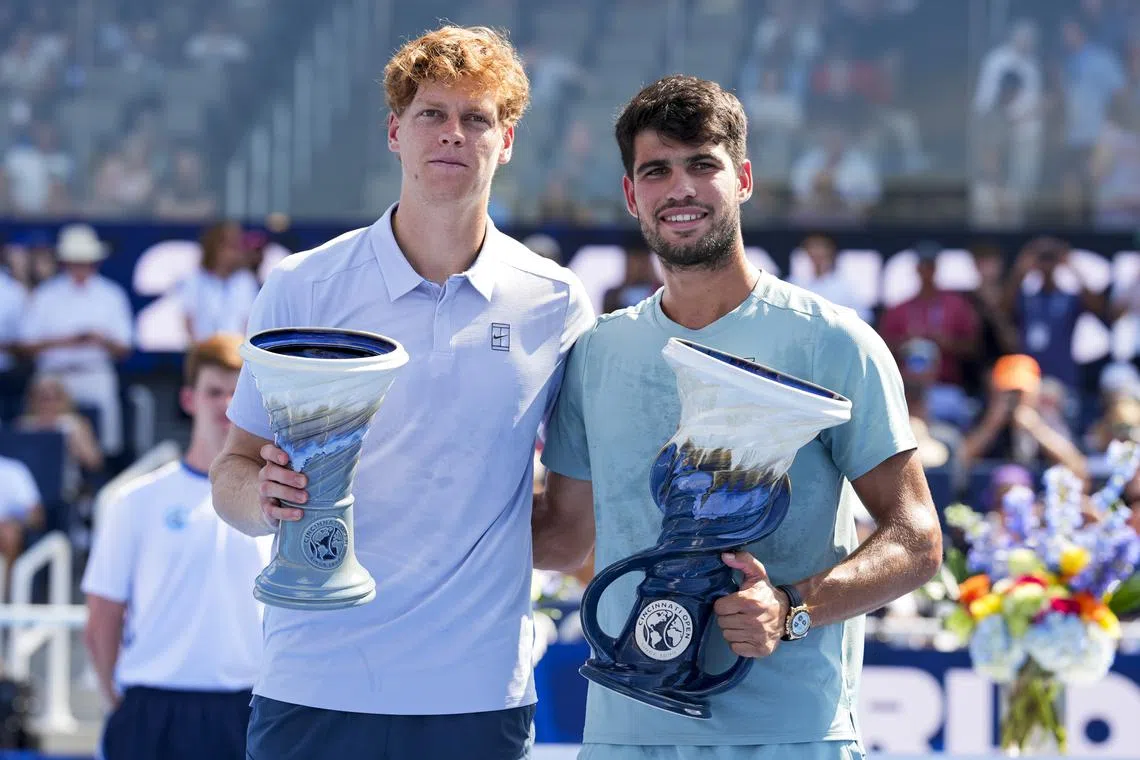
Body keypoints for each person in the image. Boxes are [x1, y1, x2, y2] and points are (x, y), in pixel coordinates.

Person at [209, 25, 594, 760]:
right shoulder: (303, 285)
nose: (453, 134)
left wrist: (478, 538)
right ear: (395, 132)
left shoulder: (556, 301)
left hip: (478, 694)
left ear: (506, 140)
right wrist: (265, 502)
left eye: (476, 118)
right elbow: (232, 469)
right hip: (313, 683)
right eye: (432, 114)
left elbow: (570, 534)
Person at [538, 75, 942, 760]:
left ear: (744, 178)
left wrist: (792, 607)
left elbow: (917, 539)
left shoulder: (833, 341)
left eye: (703, 164)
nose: (681, 189)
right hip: (623, 736)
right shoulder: (598, 353)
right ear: (633, 195)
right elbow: (562, 538)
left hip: (789, 735)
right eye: (657, 170)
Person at [81, 334, 271, 760]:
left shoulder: (277, 502)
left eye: (236, 393)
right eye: (213, 392)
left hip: (248, 707)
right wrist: (118, 701)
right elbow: (102, 617)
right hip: (154, 708)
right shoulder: (135, 502)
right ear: (188, 399)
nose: (225, 405)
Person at [18, 224, 133, 456]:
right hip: (54, 378)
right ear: (65, 263)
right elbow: (25, 345)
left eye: (86, 261)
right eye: (76, 261)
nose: (81, 267)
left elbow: (125, 347)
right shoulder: (46, 295)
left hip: (95, 374)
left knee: (104, 445)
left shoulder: (111, 295)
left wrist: (100, 340)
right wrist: (68, 341)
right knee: (44, 440)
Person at [179, 220, 260, 342]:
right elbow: (188, 319)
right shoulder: (195, 279)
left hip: (236, 352)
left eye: (237, 247)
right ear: (214, 248)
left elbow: (248, 321)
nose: (234, 253)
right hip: (203, 350)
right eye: (229, 247)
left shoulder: (246, 281)